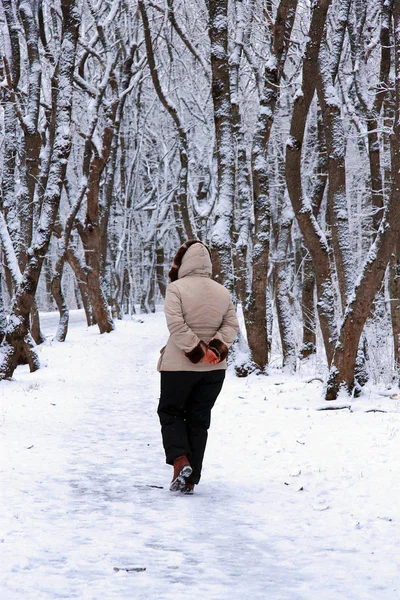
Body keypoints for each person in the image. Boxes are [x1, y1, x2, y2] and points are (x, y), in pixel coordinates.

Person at [157, 240, 239, 495]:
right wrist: (214, 350)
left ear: (182, 262)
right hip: (214, 371)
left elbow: (177, 326)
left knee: (170, 412)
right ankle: (191, 480)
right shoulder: (222, 291)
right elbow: (231, 327)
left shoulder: (176, 289)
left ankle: (181, 461)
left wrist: (198, 352)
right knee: (198, 419)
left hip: (179, 367)